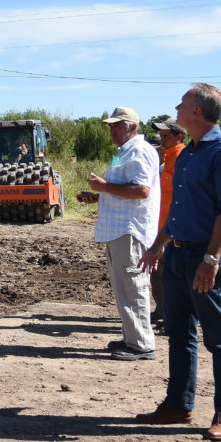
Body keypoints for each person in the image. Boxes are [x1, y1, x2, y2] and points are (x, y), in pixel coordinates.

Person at [138, 84, 221, 442]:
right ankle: (179, 404)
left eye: (183, 103)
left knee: (218, 336)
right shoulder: (187, 153)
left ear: (198, 112)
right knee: (178, 332)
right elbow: (179, 209)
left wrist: (212, 259)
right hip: (177, 254)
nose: (177, 107)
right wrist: (159, 245)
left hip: (206, 256)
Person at [81, 106, 160, 360]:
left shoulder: (139, 150)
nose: (112, 130)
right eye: (111, 125)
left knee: (132, 285)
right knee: (123, 286)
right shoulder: (124, 152)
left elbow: (142, 190)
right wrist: (99, 195)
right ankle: (132, 337)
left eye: (117, 125)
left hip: (130, 229)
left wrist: (105, 187)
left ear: (132, 127)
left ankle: (141, 344)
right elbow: (123, 188)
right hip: (119, 229)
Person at [150, 118, 187, 329]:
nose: (162, 141)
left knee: (172, 278)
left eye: (166, 136)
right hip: (161, 228)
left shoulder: (183, 159)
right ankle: (163, 311)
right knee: (159, 273)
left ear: (179, 136)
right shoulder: (167, 162)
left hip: (175, 231)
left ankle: (172, 317)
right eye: (161, 136)